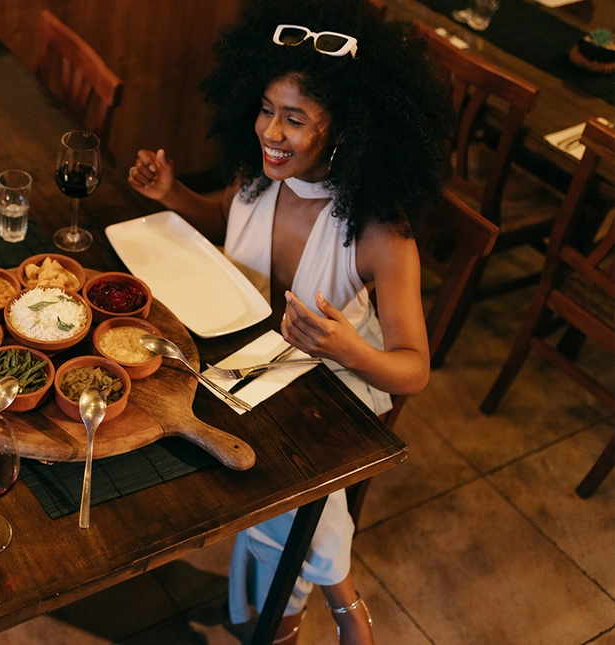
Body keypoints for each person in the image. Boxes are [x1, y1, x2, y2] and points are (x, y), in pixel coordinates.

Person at [127, 1, 455, 643]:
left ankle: (296, 615)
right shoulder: (257, 178)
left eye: (295, 119)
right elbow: (227, 225)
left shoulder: (380, 233)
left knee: (275, 482)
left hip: (334, 381)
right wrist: (172, 194)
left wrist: (347, 348)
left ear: (344, 131)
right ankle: (339, 597)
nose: (270, 132)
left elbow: (414, 370)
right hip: (244, 361)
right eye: (266, 109)